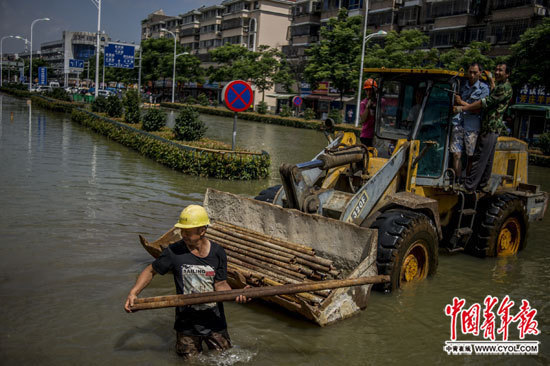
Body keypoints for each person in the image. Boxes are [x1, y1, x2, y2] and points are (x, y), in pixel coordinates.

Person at [124, 205, 249, 359]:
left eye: (187, 232)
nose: (183, 235)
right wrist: (133, 293)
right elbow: (151, 270)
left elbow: (220, 285)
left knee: (225, 358)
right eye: (182, 231)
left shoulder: (217, 252)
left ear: (202, 231)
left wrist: (237, 295)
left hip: (215, 321)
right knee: (189, 362)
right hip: (187, 325)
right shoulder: (174, 252)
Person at [454, 63, 513, 193]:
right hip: (490, 127)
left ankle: (469, 186)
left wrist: (463, 107)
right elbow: (493, 91)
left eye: (500, 70)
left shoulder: (504, 88)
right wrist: (491, 80)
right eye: (496, 69)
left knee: (479, 158)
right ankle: (482, 184)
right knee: (487, 159)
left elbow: (484, 103)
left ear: (507, 74)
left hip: (490, 127)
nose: (497, 72)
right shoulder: (500, 86)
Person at [450, 63, 490, 182]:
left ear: (480, 74)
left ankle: (468, 180)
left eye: (475, 72)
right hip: (458, 123)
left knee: (470, 156)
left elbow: (478, 108)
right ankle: (457, 180)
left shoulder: (483, 89)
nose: (472, 75)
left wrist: (461, 103)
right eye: (470, 72)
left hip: (472, 126)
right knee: (456, 154)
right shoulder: (462, 86)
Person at [359, 78, 377, 146]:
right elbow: (363, 119)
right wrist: (367, 107)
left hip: (378, 135)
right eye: (367, 90)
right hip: (366, 136)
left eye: (370, 90)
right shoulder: (363, 103)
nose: (369, 92)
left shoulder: (381, 102)